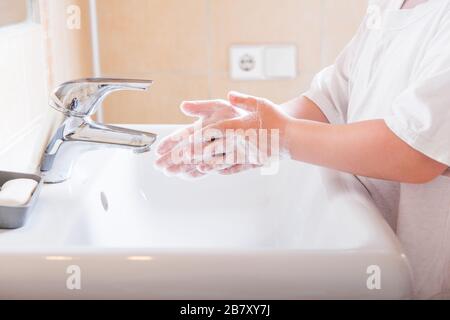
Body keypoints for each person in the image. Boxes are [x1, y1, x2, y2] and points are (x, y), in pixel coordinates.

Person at [155, 0, 450, 299]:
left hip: (428, 270)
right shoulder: (388, 6)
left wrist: (281, 135)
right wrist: (253, 128)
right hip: (377, 241)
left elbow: (413, 152)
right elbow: (332, 99)